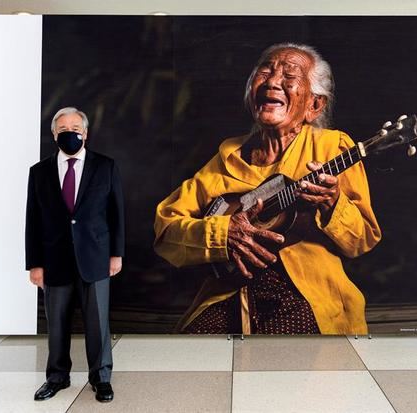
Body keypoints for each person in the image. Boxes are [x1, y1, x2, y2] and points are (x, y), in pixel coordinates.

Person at [154, 43, 381, 335]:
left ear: (314, 105)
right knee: (192, 358)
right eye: (266, 71)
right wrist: (224, 234)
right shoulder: (227, 157)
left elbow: (362, 239)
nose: (273, 81)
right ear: (251, 92)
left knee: (282, 362)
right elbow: (165, 230)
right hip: (230, 294)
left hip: (305, 297)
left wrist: (333, 203)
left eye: (289, 76)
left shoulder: (332, 147)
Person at [25, 107, 125, 402]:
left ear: (86, 133)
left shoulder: (105, 166)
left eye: (75, 127)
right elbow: (32, 220)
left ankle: (101, 377)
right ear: (54, 134)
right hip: (54, 261)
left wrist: (116, 254)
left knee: (97, 324)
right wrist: (34, 264)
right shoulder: (39, 171)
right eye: (63, 128)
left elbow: (116, 214)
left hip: (95, 258)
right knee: (56, 324)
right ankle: (57, 377)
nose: (70, 132)